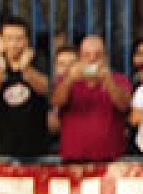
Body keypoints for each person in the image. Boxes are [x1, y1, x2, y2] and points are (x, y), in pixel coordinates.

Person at [53, 35, 130, 163]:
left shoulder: (118, 79)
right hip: (73, 159)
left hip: (110, 159)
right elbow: (56, 101)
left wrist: (108, 81)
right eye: (86, 55)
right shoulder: (67, 80)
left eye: (98, 55)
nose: (92, 59)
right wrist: (70, 80)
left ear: (106, 58)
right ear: (79, 58)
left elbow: (124, 105)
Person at [0, 17, 51, 160]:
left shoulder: (38, 59)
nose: (14, 44)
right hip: (1, 146)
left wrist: (25, 69)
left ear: (27, 41)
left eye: (19, 39)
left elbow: (44, 88)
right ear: (2, 40)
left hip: (34, 146)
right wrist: (0, 71)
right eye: (9, 39)